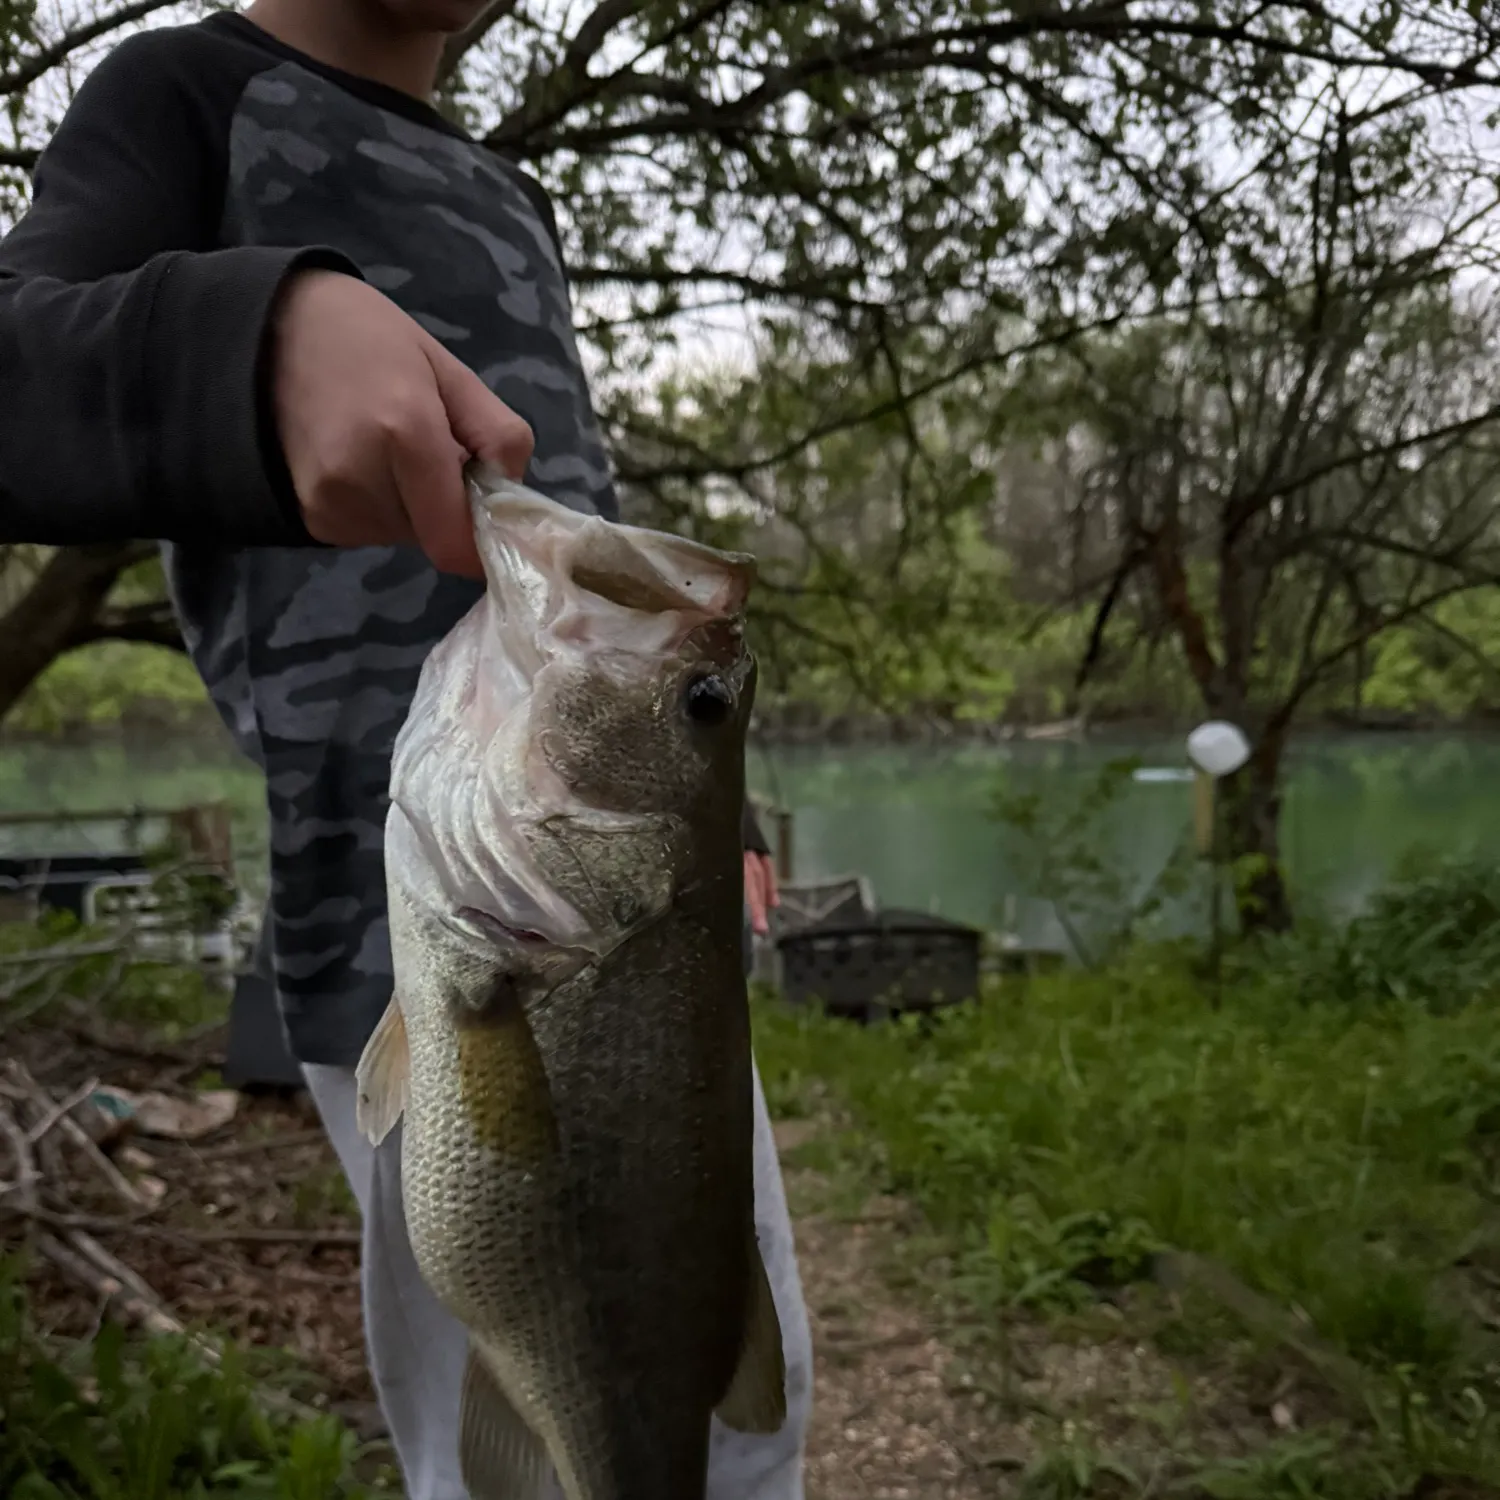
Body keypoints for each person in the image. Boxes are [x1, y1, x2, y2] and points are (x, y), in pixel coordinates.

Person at [0, 3, 812, 1496]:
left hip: (633, 925)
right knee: (498, 1454)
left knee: (743, 1434)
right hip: (426, 907)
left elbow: (595, 608)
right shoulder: (183, 93)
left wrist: (721, 818)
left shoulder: (516, 197)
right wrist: (247, 340)